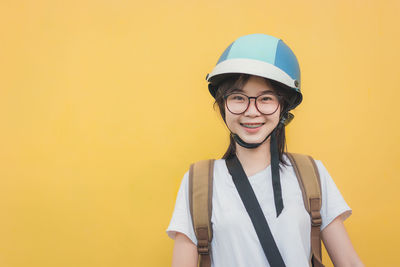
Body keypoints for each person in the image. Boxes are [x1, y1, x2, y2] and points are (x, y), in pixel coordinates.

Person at [166, 34, 364, 267]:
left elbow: (349, 262)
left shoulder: (311, 174)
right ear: (222, 105)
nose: (252, 111)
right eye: (238, 97)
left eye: (266, 98)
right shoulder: (199, 182)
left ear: (284, 107)